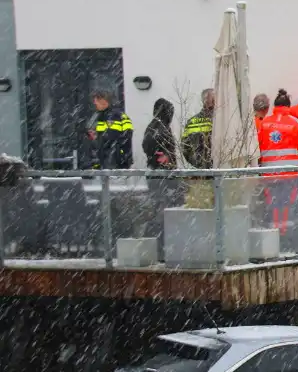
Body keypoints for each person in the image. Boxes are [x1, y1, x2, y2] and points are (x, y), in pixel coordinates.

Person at [258, 90, 298, 250]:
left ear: (275, 106)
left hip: (268, 174)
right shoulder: (296, 123)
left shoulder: (264, 123)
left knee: (272, 205)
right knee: (287, 206)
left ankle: (272, 238)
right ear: (288, 106)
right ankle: (285, 238)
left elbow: (257, 148)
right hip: (290, 174)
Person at [141, 97, 181, 259]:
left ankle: (157, 246)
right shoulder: (159, 127)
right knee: (163, 212)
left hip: (159, 176)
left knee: (160, 211)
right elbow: (149, 145)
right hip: (163, 177)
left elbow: (147, 145)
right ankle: (160, 247)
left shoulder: (154, 126)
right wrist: (161, 157)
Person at [181, 88, 215, 207]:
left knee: (203, 204)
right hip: (215, 171)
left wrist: (197, 162)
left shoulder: (192, 121)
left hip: (200, 173)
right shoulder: (218, 120)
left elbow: (185, 148)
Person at [86, 91, 133, 169]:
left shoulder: (114, 116)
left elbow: (111, 138)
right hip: (111, 161)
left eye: (96, 101)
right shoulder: (103, 116)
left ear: (103, 101)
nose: (95, 104)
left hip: (115, 162)